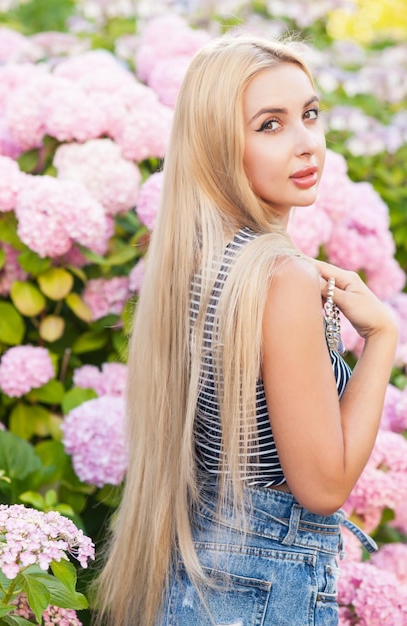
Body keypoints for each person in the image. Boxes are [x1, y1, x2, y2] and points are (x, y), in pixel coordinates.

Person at [93, 33, 398, 626]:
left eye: (309, 114)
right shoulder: (279, 277)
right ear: (216, 146)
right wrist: (382, 338)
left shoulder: (199, 263)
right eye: (270, 125)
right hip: (266, 589)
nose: (307, 143)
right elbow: (323, 486)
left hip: (196, 581)